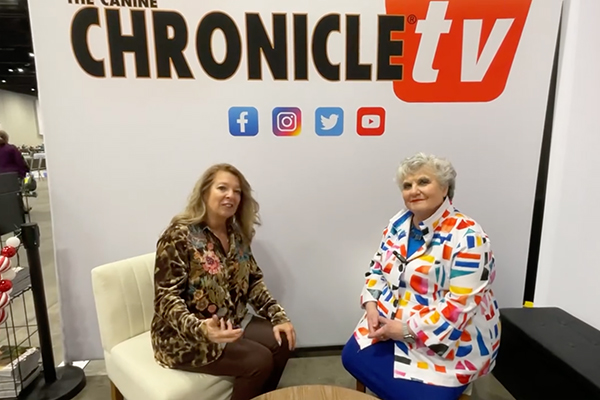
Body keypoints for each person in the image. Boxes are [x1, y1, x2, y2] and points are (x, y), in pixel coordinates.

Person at [341, 153, 500, 400]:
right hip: (391, 321)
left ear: (445, 187)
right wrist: (371, 305)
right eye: (407, 185)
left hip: (450, 341)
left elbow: (460, 306)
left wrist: (404, 330)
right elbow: (377, 268)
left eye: (423, 182)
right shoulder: (398, 223)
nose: (414, 190)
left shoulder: (469, 237)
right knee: (351, 356)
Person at [151, 163, 296, 400]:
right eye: (222, 188)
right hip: (183, 336)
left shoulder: (236, 234)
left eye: (237, 191)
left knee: (283, 341)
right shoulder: (178, 235)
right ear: (205, 192)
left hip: (232, 321)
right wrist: (201, 329)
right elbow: (166, 298)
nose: (231, 195)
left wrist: (278, 316)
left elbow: (253, 281)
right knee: (258, 360)